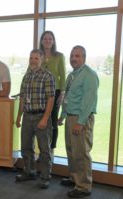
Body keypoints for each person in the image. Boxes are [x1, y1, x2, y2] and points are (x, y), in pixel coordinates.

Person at [58, 45, 99, 198]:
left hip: (81, 118)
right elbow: (68, 97)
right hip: (70, 117)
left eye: (77, 56)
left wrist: (80, 122)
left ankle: (83, 186)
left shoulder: (89, 75)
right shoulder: (72, 75)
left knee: (81, 153)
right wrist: (63, 115)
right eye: (72, 55)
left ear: (84, 58)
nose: (74, 58)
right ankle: (75, 178)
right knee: (71, 151)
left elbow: (89, 101)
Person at [15, 49, 55, 189]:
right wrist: (19, 116)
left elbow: (51, 99)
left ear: (42, 60)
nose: (33, 60)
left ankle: (45, 176)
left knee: (44, 149)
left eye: (36, 58)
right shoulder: (26, 77)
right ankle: (29, 171)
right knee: (26, 146)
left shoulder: (47, 76)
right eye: (31, 57)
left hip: (41, 116)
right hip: (27, 116)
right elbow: (22, 99)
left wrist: (45, 118)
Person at [40, 31, 66, 156]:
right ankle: (41, 149)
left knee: (53, 120)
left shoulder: (59, 56)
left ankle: (51, 149)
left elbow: (62, 76)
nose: (48, 41)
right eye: (45, 38)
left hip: (55, 92)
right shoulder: (38, 55)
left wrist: (62, 94)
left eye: (50, 39)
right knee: (41, 119)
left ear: (53, 41)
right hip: (40, 92)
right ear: (41, 41)